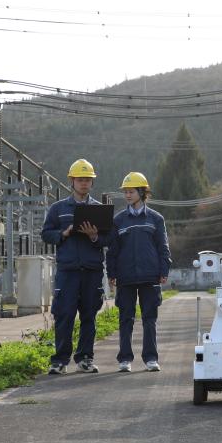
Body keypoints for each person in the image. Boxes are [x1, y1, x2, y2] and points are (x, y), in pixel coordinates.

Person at [41, 158, 108, 375]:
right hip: (68, 271)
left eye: (87, 179)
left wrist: (94, 236)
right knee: (64, 315)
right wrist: (64, 233)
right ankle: (60, 360)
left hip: (91, 271)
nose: (84, 183)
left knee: (89, 316)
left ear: (92, 182)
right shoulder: (58, 209)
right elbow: (46, 234)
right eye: (80, 179)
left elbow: (109, 239)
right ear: (72, 181)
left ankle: (85, 359)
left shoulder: (99, 210)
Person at [106, 172, 171, 373]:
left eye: (131, 191)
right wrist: (111, 273)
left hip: (150, 276)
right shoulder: (118, 220)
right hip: (125, 277)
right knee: (125, 319)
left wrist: (164, 269)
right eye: (125, 191)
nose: (127, 195)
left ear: (142, 192)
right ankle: (125, 359)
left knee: (149, 319)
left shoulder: (156, 219)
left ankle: (151, 358)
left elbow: (163, 247)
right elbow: (113, 250)